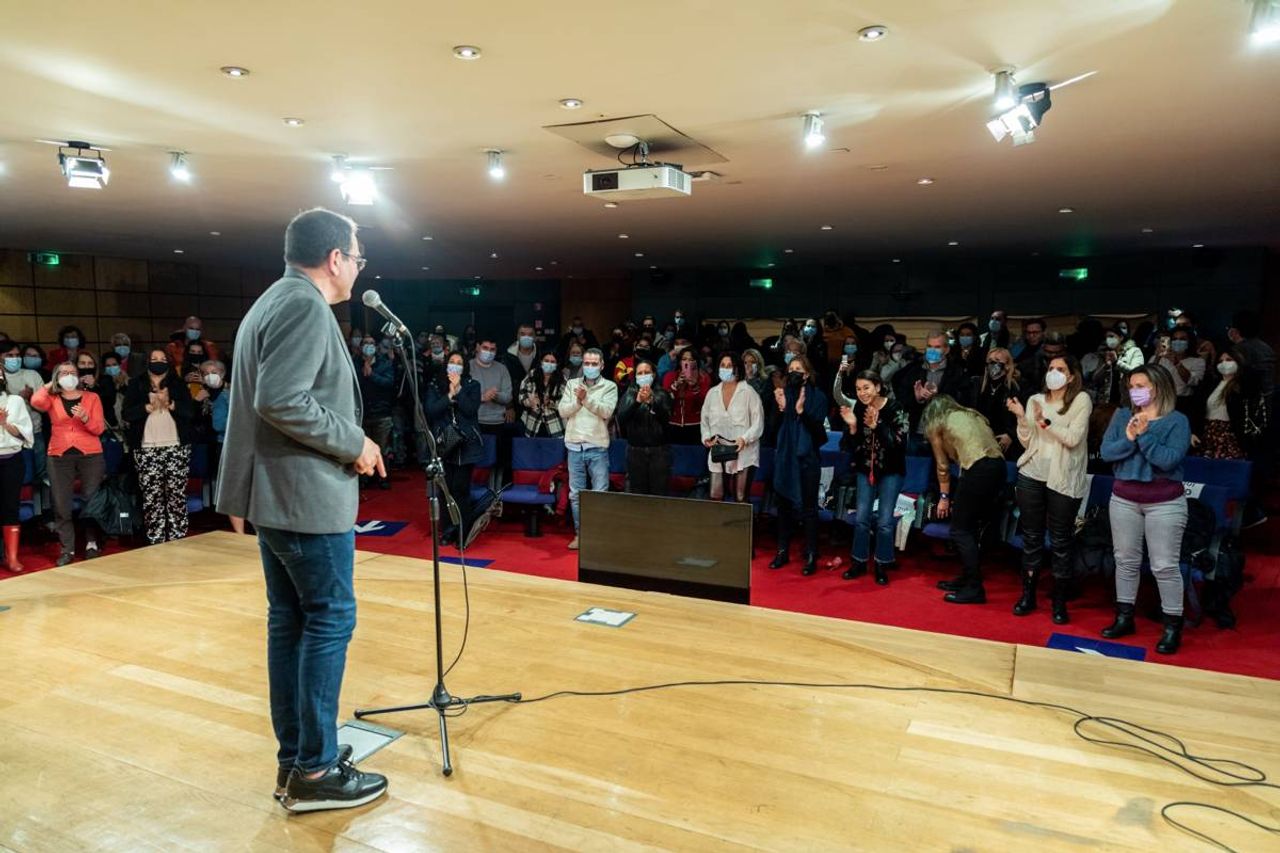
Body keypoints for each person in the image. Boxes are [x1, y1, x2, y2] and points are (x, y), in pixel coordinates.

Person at [216, 208, 389, 811]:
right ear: (335, 259)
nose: (359, 268)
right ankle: (314, 770)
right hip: (303, 498)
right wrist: (355, 442)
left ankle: (297, 761)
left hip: (278, 497)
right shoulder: (304, 306)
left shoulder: (273, 299)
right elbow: (282, 399)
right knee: (329, 619)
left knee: (290, 622)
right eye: (357, 257)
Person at [1099, 364, 1192, 655]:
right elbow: (1107, 452)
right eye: (1131, 386)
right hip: (1124, 499)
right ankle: (1124, 617)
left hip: (1165, 503)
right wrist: (1128, 437)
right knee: (1125, 560)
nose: (1134, 391)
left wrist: (1143, 436)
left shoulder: (1177, 421)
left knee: (1164, 566)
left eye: (1141, 386)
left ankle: (1172, 626)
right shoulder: (1122, 416)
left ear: (1159, 387)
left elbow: (1168, 460)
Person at [1008, 354, 1092, 623]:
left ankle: (1059, 601)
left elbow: (1072, 438)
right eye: (1051, 368)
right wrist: (1022, 418)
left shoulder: (1081, 400)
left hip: (1063, 478)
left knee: (1060, 541)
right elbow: (1027, 441)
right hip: (1032, 474)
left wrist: (1044, 421)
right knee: (1031, 538)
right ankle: (1028, 595)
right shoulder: (1036, 399)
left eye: (1060, 369)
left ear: (1071, 376)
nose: (1054, 372)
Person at [925, 395, 1006, 605]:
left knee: (960, 530)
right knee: (971, 528)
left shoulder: (937, 424)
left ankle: (974, 587)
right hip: (999, 468)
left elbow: (942, 466)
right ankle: (967, 578)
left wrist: (944, 497)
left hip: (978, 469)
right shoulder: (972, 414)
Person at [31, 361, 106, 566]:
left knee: (91, 500)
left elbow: (99, 428)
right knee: (61, 503)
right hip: (59, 455)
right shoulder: (52, 398)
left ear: (78, 376)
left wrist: (86, 418)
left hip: (90, 454)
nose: (69, 375)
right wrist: (50, 384)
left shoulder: (92, 397)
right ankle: (67, 549)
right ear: (57, 377)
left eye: (72, 372)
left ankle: (92, 544)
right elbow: (36, 401)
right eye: (63, 373)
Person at [839, 371, 909, 584]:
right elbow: (849, 447)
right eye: (858, 389)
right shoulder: (858, 409)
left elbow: (900, 444)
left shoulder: (896, 408)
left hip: (891, 471)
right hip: (865, 469)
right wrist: (853, 426)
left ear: (878, 387)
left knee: (885, 521)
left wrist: (877, 426)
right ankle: (859, 562)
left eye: (866, 387)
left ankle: (882, 563)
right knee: (861, 518)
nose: (862, 393)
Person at [123, 349, 195, 544]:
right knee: (151, 495)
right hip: (146, 447)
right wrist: (146, 407)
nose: (158, 362)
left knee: (176, 493)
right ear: (147, 362)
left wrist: (171, 404)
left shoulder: (178, 383)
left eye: (163, 359)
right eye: (154, 359)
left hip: (176, 446)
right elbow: (127, 414)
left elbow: (190, 412)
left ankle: (178, 536)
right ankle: (156, 538)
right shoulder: (136, 383)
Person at [768, 355, 829, 576]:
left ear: (806, 374)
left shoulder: (818, 397)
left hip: (808, 459)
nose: (794, 372)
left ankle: (811, 553)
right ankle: (782, 551)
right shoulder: (782, 395)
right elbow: (771, 431)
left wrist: (801, 412)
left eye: (798, 369)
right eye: (791, 369)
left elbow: (820, 436)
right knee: (783, 507)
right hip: (785, 458)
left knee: (809, 508)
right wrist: (782, 409)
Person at [558, 348, 618, 550]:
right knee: (576, 494)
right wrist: (578, 400)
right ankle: (580, 535)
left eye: (594, 364)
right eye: (587, 363)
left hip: (597, 446)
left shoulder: (609, 386)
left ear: (602, 365)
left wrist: (586, 399)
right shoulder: (572, 384)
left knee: (599, 493)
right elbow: (562, 411)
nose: (590, 367)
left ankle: (597, 536)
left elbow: (606, 412)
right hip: (574, 445)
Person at [425, 351, 484, 545]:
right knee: (445, 489)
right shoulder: (435, 385)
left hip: (466, 444)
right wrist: (449, 395)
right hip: (444, 443)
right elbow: (431, 410)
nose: (455, 366)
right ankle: (448, 530)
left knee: (461, 489)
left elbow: (470, 410)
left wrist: (458, 390)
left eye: (459, 363)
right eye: (452, 362)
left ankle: (462, 530)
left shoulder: (473, 385)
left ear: (464, 367)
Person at [700, 353, 764, 503]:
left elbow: (758, 423)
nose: (725, 369)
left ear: (737, 368)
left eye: (729, 366)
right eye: (723, 365)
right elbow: (704, 420)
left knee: (740, 498)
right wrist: (707, 437)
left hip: (743, 452)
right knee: (715, 496)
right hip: (718, 450)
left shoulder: (749, 392)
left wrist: (745, 438)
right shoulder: (712, 393)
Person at [893, 330, 967, 455]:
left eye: (937, 347)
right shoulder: (913, 370)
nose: (932, 350)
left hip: (944, 434)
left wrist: (939, 396)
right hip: (917, 433)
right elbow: (901, 396)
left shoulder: (957, 372)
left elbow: (963, 401)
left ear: (946, 350)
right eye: (929, 346)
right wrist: (916, 398)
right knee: (915, 465)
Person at [616, 359, 672, 496]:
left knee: (659, 493)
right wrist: (637, 402)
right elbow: (621, 418)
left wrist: (653, 402)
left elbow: (667, 419)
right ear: (635, 376)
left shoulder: (662, 394)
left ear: (654, 374)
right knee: (638, 494)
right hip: (635, 451)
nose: (643, 376)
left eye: (647, 372)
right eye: (640, 373)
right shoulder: (630, 393)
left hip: (659, 451)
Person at [1197, 349, 1265, 461]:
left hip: (1231, 436)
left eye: (1229, 360)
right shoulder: (1211, 384)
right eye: (1220, 361)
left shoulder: (1245, 385)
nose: (1224, 363)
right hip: (1209, 433)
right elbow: (1199, 409)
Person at [0, 372, 34, 573]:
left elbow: (25, 434)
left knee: (10, 506)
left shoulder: (15, 401)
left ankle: (12, 558)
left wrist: (4, 423)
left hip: (11, 459)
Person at [353, 334, 395, 489]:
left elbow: (389, 383)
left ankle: (383, 478)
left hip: (381, 413)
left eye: (371, 343)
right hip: (363, 413)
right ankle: (364, 479)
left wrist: (372, 375)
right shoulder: (355, 363)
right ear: (361, 346)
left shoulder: (384, 363)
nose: (368, 346)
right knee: (362, 448)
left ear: (376, 347)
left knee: (382, 448)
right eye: (365, 343)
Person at [969, 347, 1024, 460]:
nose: (992, 364)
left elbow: (1024, 416)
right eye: (990, 361)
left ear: (1007, 365)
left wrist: (1011, 435)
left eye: (997, 361)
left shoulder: (1017, 387)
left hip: (1005, 442)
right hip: (980, 440)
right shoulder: (977, 385)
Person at [472, 338, 514, 481]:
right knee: (473, 461)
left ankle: (494, 490)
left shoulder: (502, 369)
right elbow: (461, 395)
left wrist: (494, 395)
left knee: (496, 463)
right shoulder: (468, 366)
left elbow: (508, 396)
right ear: (477, 347)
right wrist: (482, 397)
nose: (488, 352)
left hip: (497, 423)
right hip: (474, 422)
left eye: (492, 349)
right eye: (485, 348)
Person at [1151, 325, 1205, 412]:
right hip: (1160, 400)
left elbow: (1193, 382)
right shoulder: (1159, 358)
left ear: (1190, 342)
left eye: (1182, 339)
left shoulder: (1198, 361)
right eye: (1174, 339)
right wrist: (1157, 357)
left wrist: (1176, 363)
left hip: (1182, 403)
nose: (1178, 341)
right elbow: (1148, 376)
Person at [663, 347, 710, 445]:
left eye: (691, 359)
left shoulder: (704, 378)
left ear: (696, 362)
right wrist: (676, 385)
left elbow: (706, 403)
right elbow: (665, 400)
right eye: (684, 359)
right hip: (673, 425)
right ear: (679, 361)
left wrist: (695, 387)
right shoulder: (670, 376)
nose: (687, 362)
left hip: (696, 426)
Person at [518, 352, 566, 438]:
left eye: (552, 362)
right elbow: (521, 395)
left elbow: (566, 403)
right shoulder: (532, 374)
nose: (549, 364)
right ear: (541, 362)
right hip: (532, 422)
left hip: (555, 424)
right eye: (546, 361)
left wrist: (550, 403)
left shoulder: (562, 379)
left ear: (557, 364)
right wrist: (530, 402)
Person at [504, 323, 540, 389]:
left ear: (534, 337)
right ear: (518, 336)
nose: (526, 337)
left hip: (536, 393)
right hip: (514, 393)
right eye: (523, 334)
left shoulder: (541, 355)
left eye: (530, 335)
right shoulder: (508, 356)